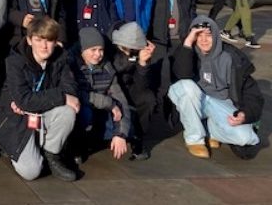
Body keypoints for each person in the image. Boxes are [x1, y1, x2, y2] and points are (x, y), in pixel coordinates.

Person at [0, 16, 79, 182]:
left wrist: (57, 98)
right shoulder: (15, 62)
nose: (44, 46)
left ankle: (52, 154)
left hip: (43, 114)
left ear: (56, 42)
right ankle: (14, 150)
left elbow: (71, 89)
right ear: (29, 40)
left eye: (49, 40)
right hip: (17, 120)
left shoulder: (61, 58)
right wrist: (60, 96)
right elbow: (24, 100)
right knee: (31, 172)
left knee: (68, 112)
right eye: (39, 40)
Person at [168, 16, 263, 160]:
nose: (204, 40)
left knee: (246, 138)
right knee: (186, 86)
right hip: (195, 99)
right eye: (199, 35)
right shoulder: (186, 51)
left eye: (208, 35)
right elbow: (182, 75)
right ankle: (195, 139)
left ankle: (209, 128)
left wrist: (245, 114)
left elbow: (252, 93)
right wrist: (187, 42)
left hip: (221, 103)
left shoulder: (232, 58)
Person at [68, 28, 131, 162]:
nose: (98, 54)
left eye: (101, 50)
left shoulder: (107, 68)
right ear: (82, 50)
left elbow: (120, 100)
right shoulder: (71, 66)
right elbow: (75, 95)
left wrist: (120, 134)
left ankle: (101, 140)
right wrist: (108, 103)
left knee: (126, 120)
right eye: (93, 50)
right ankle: (74, 147)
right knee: (84, 113)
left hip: (99, 111)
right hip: (80, 110)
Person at [109, 22, 157, 160]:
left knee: (147, 98)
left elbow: (142, 85)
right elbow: (115, 69)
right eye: (128, 49)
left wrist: (143, 64)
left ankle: (138, 138)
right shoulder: (110, 49)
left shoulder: (138, 53)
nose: (131, 52)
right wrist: (131, 60)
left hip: (130, 90)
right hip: (110, 90)